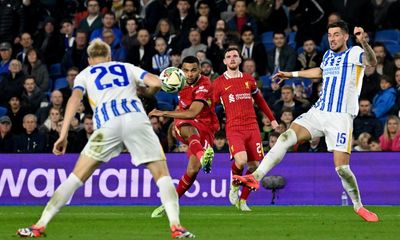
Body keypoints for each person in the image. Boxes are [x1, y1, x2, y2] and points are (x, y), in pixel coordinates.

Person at [16, 39, 194, 239]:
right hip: (136, 119)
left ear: (90, 59)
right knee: (162, 176)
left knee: (76, 178)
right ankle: (176, 226)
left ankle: (39, 226)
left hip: (108, 124)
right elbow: (155, 83)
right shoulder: (126, 67)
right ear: (110, 57)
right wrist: (167, 84)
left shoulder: (84, 74)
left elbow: (74, 99)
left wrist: (63, 133)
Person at [233, 21, 379, 222]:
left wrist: (364, 43)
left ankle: (358, 206)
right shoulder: (328, 55)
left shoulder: (354, 52)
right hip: (319, 111)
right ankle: (255, 177)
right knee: (285, 137)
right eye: (329, 35)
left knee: (342, 169)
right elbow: (320, 72)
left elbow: (371, 62)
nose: (332, 38)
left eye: (336, 35)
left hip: (340, 117)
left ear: (346, 36)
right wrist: (291, 74)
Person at [149, 56, 219, 217]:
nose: (189, 74)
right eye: (186, 70)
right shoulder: (178, 79)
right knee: (190, 129)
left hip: (206, 125)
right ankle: (203, 156)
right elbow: (159, 85)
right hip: (185, 123)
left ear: (200, 70)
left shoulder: (205, 84)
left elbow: (193, 112)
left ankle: (168, 205)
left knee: (192, 171)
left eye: (193, 70)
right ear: (182, 70)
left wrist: (163, 112)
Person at [212, 47, 278, 211]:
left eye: (235, 56)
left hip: (252, 127)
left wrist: (273, 120)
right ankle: (234, 186)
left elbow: (260, 101)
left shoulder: (249, 80)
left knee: (255, 166)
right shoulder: (219, 83)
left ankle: (243, 201)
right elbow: (210, 106)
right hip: (234, 127)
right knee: (240, 161)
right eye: (229, 56)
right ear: (224, 61)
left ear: (240, 60)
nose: (232, 58)